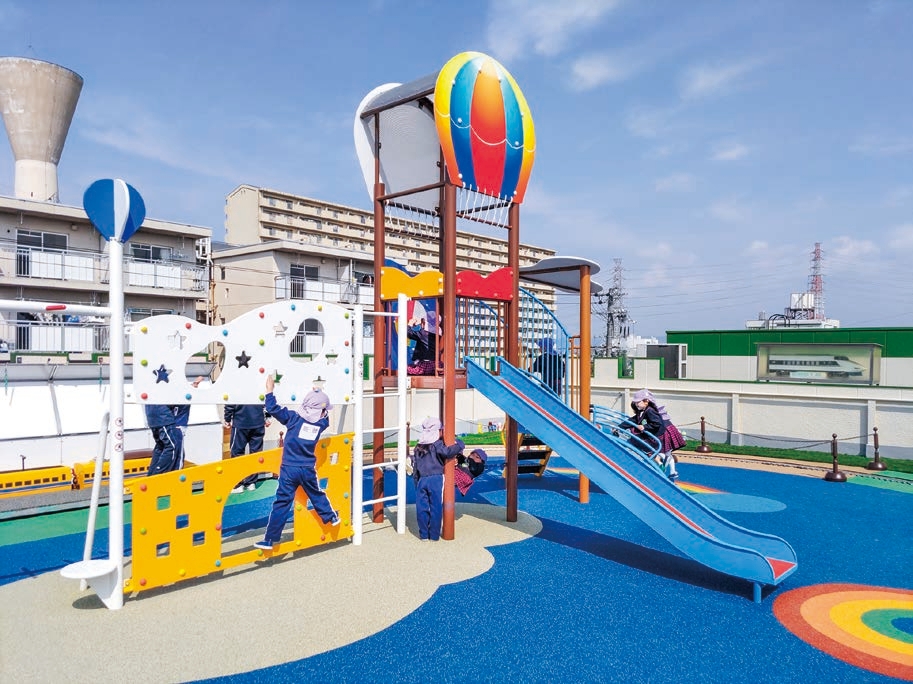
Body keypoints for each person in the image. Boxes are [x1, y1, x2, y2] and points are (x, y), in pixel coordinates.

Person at [253, 375, 339, 551]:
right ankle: (330, 516)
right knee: (316, 493)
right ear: (321, 413)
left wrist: (270, 390)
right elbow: (325, 418)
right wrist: (321, 401)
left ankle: (270, 539)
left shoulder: (293, 419)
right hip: (307, 469)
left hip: (289, 470)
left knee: (282, 502)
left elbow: (272, 408)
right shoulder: (320, 425)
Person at [409, 416, 464, 541]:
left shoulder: (418, 447)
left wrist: (416, 482)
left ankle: (423, 534)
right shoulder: (437, 444)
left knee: (422, 507)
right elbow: (448, 452)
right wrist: (460, 444)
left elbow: (416, 466)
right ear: (438, 431)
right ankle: (434, 535)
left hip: (422, 479)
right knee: (436, 506)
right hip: (436, 478)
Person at [145, 375, 203, 475]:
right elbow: (179, 399)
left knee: (161, 447)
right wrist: (193, 387)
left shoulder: (159, 389)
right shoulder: (172, 393)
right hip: (173, 423)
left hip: (159, 420)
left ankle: (153, 475)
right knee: (174, 449)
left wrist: (193, 386)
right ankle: (161, 475)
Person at [631, 389, 680, 482]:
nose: (636, 404)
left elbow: (656, 424)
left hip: (664, 433)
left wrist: (645, 427)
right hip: (664, 432)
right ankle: (671, 471)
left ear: (646, 401)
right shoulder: (649, 411)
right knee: (667, 454)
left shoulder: (650, 411)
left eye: (638, 402)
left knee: (664, 453)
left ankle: (665, 469)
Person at [224, 403, 271, 493]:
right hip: (258, 422)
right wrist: (268, 417)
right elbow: (267, 399)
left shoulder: (236, 388)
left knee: (237, 453)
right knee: (256, 454)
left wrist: (227, 418)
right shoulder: (260, 387)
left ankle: (238, 484)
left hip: (241, 422)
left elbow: (230, 402)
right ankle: (251, 483)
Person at [406, 311, 439, 376]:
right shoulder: (438, 332)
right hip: (435, 364)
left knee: (404, 368)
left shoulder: (423, 333)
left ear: (425, 323)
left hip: (424, 364)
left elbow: (408, 333)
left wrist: (410, 324)